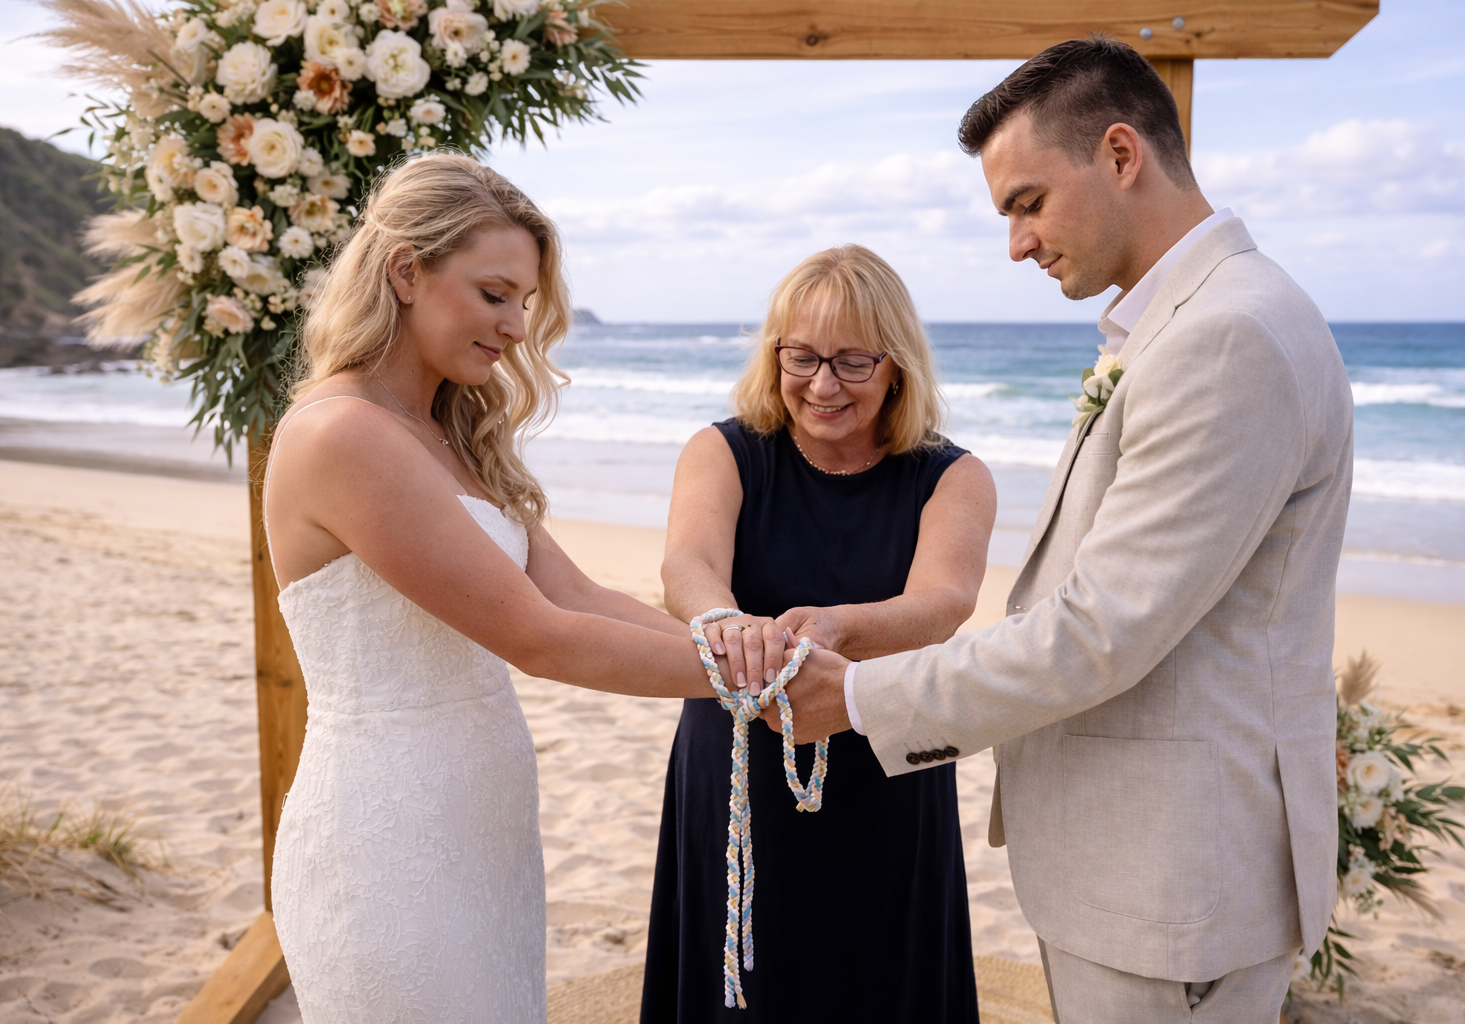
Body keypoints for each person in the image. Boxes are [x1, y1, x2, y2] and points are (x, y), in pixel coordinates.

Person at [778, 38, 1354, 1023]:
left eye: (1027, 202)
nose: (1017, 243)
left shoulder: (1226, 337)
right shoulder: (1196, 320)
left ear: (1121, 154)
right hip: (1141, 872)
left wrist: (864, 697)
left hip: (1172, 882)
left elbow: (1101, 629)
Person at [261, 154, 718, 1022]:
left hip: (482, 821)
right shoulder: (342, 436)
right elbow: (540, 637)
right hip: (386, 839)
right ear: (406, 271)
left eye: (524, 303)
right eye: (494, 293)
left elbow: (579, 597)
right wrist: (757, 688)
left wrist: (746, 643)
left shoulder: (448, 434)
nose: (515, 327)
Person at [639, 245, 997, 1024]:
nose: (822, 384)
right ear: (774, 355)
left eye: (851, 362)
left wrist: (838, 626)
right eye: (801, 357)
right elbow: (688, 565)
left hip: (887, 767)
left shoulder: (952, 475)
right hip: (739, 767)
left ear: (897, 365)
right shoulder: (725, 450)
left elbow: (946, 599)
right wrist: (729, 626)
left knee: (880, 975)